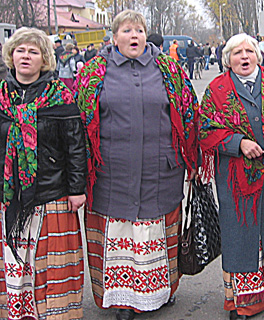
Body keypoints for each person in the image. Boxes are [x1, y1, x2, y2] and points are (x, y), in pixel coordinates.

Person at [74, 10, 199, 320]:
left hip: (162, 170)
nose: (134, 36)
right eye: (127, 30)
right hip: (111, 173)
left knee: (157, 233)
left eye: (139, 30)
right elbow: (78, 122)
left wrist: (192, 157)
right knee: (121, 235)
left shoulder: (170, 69)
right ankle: (123, 299)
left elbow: (189, 114)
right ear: (114, 37)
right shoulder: (93, 73)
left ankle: (164, 290)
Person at [199, 33, 264, 320]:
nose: (244, 57)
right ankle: (243, 299)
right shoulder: (216, 89)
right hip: (234, 176)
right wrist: (238, 144)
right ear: (227, 59)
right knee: (240, 231)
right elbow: (205, 129)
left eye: (249, 51)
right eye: (236, 53)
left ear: (258, 55)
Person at [0, 27, 87, 319]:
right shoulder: (0, 96)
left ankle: (56, 313)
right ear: (11, 55)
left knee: (49, 263)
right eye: (21, 50)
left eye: (33, 51)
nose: (26, 56)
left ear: (45, 59)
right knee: (17, 262)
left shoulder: (60, 96)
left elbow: (76, 146)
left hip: (52, 194)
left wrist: (77, 189)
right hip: (9, 195)